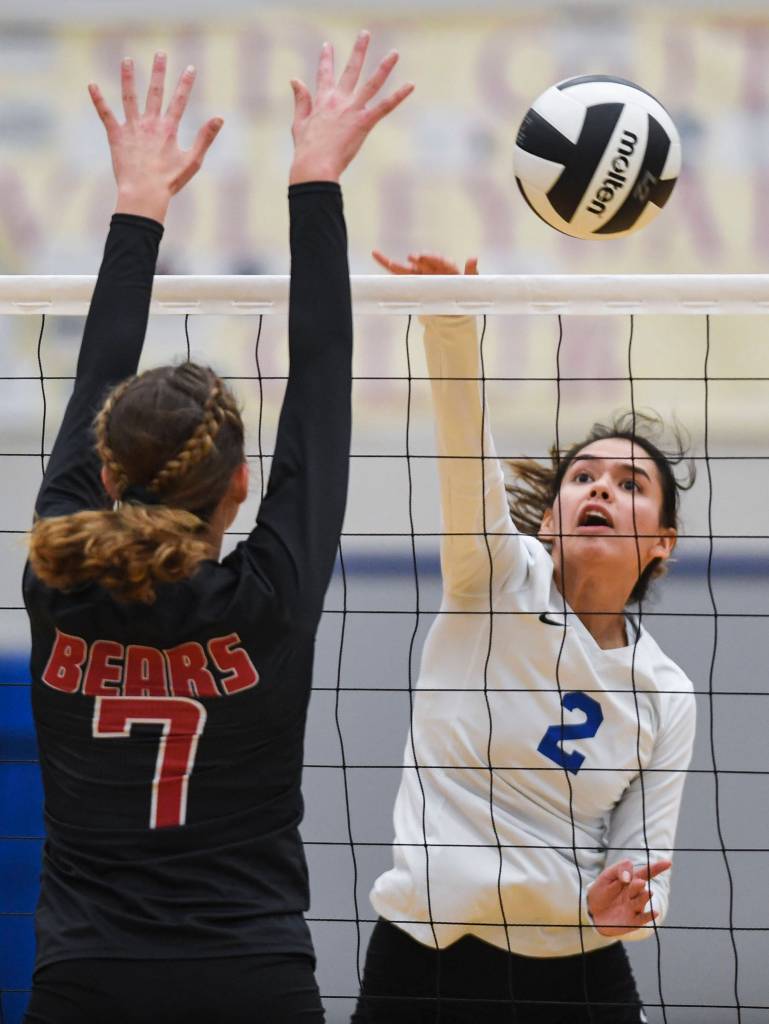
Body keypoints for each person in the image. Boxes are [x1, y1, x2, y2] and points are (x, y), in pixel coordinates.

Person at [23, 39, 412, 1024]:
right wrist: (313, 177)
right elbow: (323, 371)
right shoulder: (266, 600)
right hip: (253, 979)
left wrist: (138, 201)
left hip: (86, 983)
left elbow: (96, 364)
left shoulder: (55, 563)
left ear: (104, 472)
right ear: (241, 486)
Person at [352, 252, 697, 1023]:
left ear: (662, 543)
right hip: (424, 959)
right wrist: (448, 319)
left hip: (573, 969)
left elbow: (646, 863)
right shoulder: (491, 579)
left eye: (629, 483)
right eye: (583, 478)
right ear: (548, 518)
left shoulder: (664, 691)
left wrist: (627, 904)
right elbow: (460, 458)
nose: (602, 487)